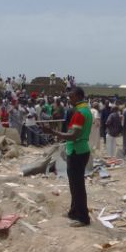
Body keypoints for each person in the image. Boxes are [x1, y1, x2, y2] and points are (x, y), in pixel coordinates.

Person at [41, 87, 93, 227]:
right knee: (74, 185)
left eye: (71, 97)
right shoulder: (85, 110)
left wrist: (52, 132)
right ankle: (74, 212)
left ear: (78, 96)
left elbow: (73, 135)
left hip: (77, 151)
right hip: (79, 150)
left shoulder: (80, 113)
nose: (69, 99)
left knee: (78, 186)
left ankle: (83, 218)